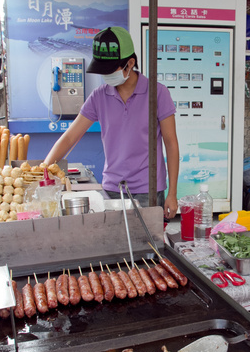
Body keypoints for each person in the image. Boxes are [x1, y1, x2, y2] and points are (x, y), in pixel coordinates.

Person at [44, 26, 179, 218]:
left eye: (110, 69)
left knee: (149, 245)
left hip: (148, 190)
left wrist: (172, 193)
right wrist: (44, 170)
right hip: (112, 189)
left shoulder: (158, 93)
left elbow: (171, 143)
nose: (105, 75)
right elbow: (70, 138)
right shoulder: (99, 96)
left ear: (130, 63)